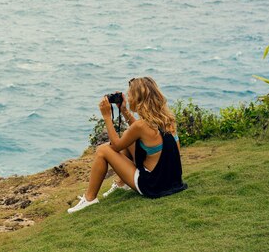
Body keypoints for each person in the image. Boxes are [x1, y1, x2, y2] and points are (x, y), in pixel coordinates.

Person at [68, 77, 187, 213]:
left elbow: (116, 146)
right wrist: (124, 111)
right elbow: (139, 132)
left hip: (152, 186)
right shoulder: (168, 119)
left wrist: (107, 116)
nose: (128, 98)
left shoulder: (141, 126)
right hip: (172, 182)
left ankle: (89, 199)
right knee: (128, 137)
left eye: (130, 95)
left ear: (138, 99)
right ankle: (122, 183)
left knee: (102, 150)